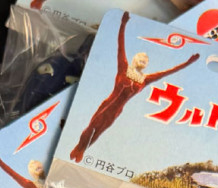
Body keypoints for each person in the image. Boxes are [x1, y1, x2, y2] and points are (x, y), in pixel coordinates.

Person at [70, 12, 200, 163]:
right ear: (134, 59)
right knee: (91, 127)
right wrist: (123, 24)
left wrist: (188, 63)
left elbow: (169, 72)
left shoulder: (145, 79)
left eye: (146, 60)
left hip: (117, 111)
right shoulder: (124, 68)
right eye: (141, 58)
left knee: (98, 132)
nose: (143, 61)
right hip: (107, 105)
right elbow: (121, 46)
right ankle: (78, 147)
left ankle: (82, 151)